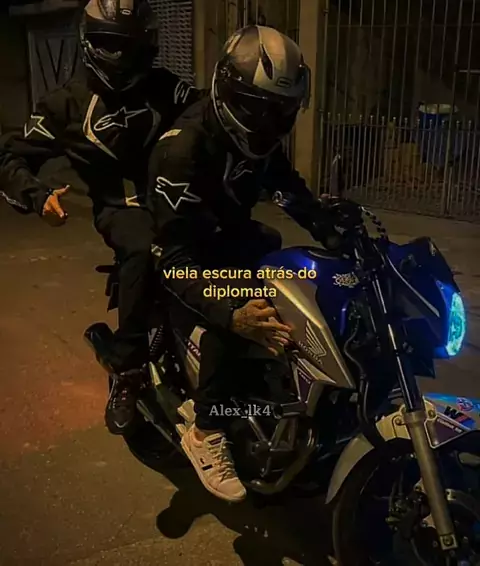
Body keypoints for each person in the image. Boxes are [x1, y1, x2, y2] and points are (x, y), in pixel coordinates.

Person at [148, 25, 342, 503]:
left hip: (229, 238)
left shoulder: (261, 137)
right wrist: (232, 314)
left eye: (282, 112)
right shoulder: (182, 150)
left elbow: (290, 191)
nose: (271, 124)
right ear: (229, 93)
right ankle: (207, 429)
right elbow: (173, 257)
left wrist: (339, 233)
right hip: (186, 253)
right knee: (247, 312)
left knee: (302, 280)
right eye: (260, 109)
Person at [0, 0, 203, 435]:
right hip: (123, 207)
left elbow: (210, 117)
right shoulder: (65, 105)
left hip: (181, 200)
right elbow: (10, 157)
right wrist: (36, 196)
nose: (123, 56)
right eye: (112, 44)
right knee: (144, 248)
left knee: (255, 241)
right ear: (90, 42)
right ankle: (128, 370)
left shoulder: (168, 89)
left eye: (133, 46)